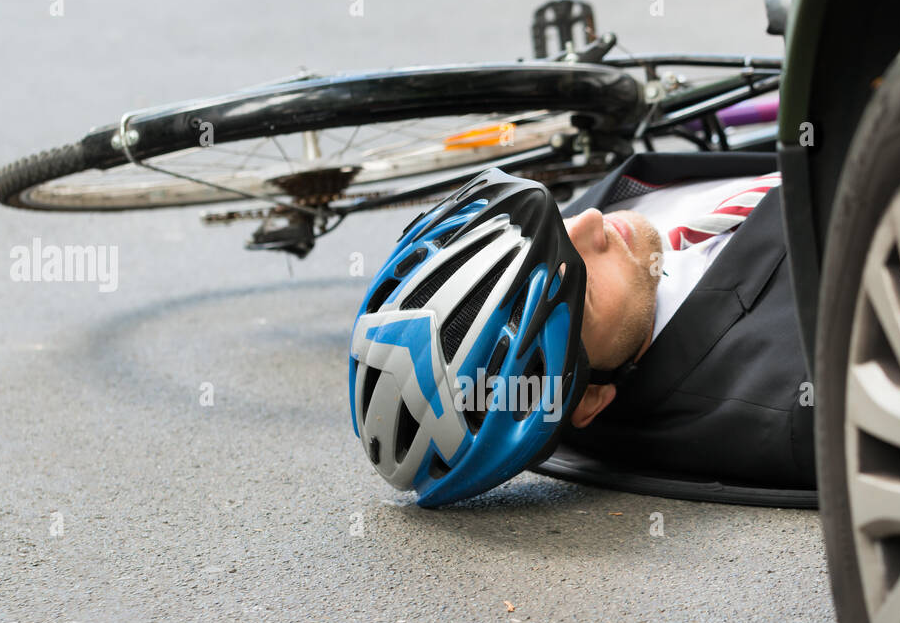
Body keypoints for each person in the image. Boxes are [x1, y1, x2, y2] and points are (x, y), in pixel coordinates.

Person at [348, 152, 815, 507]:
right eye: (581, 285)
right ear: (590, 397)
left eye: (555, 222)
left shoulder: (602, 234)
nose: (591, 221)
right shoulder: (794, 393)